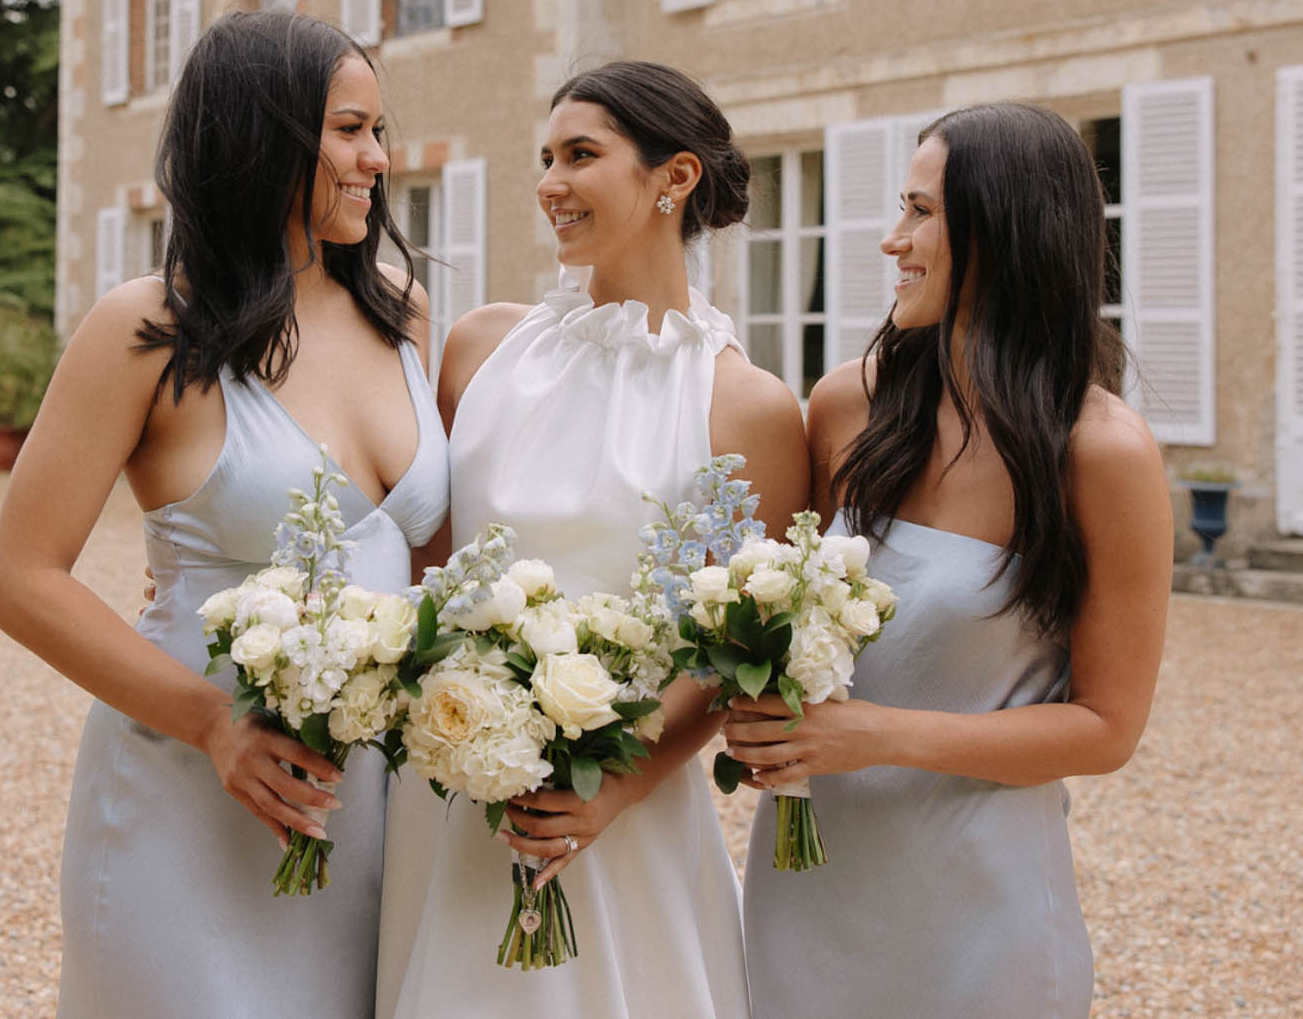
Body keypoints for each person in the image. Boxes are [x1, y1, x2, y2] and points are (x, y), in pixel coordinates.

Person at [0, 10, 448, 1019]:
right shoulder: (148, 328)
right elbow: (19, 579)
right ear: (262, 136)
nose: (377, 158)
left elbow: (430, 560)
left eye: (378, 130)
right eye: (349, 130)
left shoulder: (399, 309)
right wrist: (213, 722)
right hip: (187, 791)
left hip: (369, 800)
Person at [375, 62, 809, 1019]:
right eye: (546, 158)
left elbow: (737, 652)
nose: (550, 184)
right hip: (451, 786)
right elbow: (421, 565)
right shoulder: (481, 349)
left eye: (580, 155)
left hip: (621, 807)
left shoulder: (747, 407)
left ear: (675, 177)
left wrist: (609, 792)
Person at [726, 102, 1172, 1019]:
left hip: (981, 911)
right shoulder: (845, 406)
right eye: (902, 207)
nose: (893, 239)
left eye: (922, 212)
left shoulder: (1101, 452)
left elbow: (1106, 728)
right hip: (805, 888)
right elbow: (786, 621)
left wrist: (875, 735)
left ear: (1007, 230)